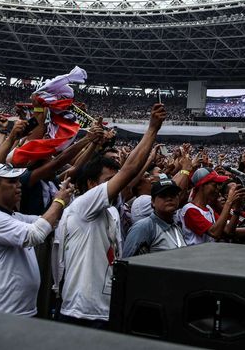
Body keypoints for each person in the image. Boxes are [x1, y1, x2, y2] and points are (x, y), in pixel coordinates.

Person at [56, 104, 166, 328]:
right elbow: (129, 172)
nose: (115, 185)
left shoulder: (111, 212)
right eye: (109, 180)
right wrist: (152, 129)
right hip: (81, 312)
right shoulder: (82, 206)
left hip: (106, 308)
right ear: (90, 184)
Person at [0, 162, 73, 316]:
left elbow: (48, 222)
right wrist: (58, 201)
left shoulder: (13, 216)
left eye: (18, 181)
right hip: (1, 311)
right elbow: (35, 234)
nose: (19, 185)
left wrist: (64, 196)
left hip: (19, 310)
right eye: (12, 182)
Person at [122, 175, 187, 257]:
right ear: (153, 202)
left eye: (173, 194)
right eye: (163, 195)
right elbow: (127, 263)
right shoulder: (144, 227)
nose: (169, 198)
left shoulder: (176, 227)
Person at [180, 167, 244, 245]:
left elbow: (228, 231)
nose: (217, 189)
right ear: (202, 185)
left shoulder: (208, 209)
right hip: (197, 255)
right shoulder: (190, 210)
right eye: (214, 185)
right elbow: (215, 233)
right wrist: (229, 202)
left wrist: (237, 208)